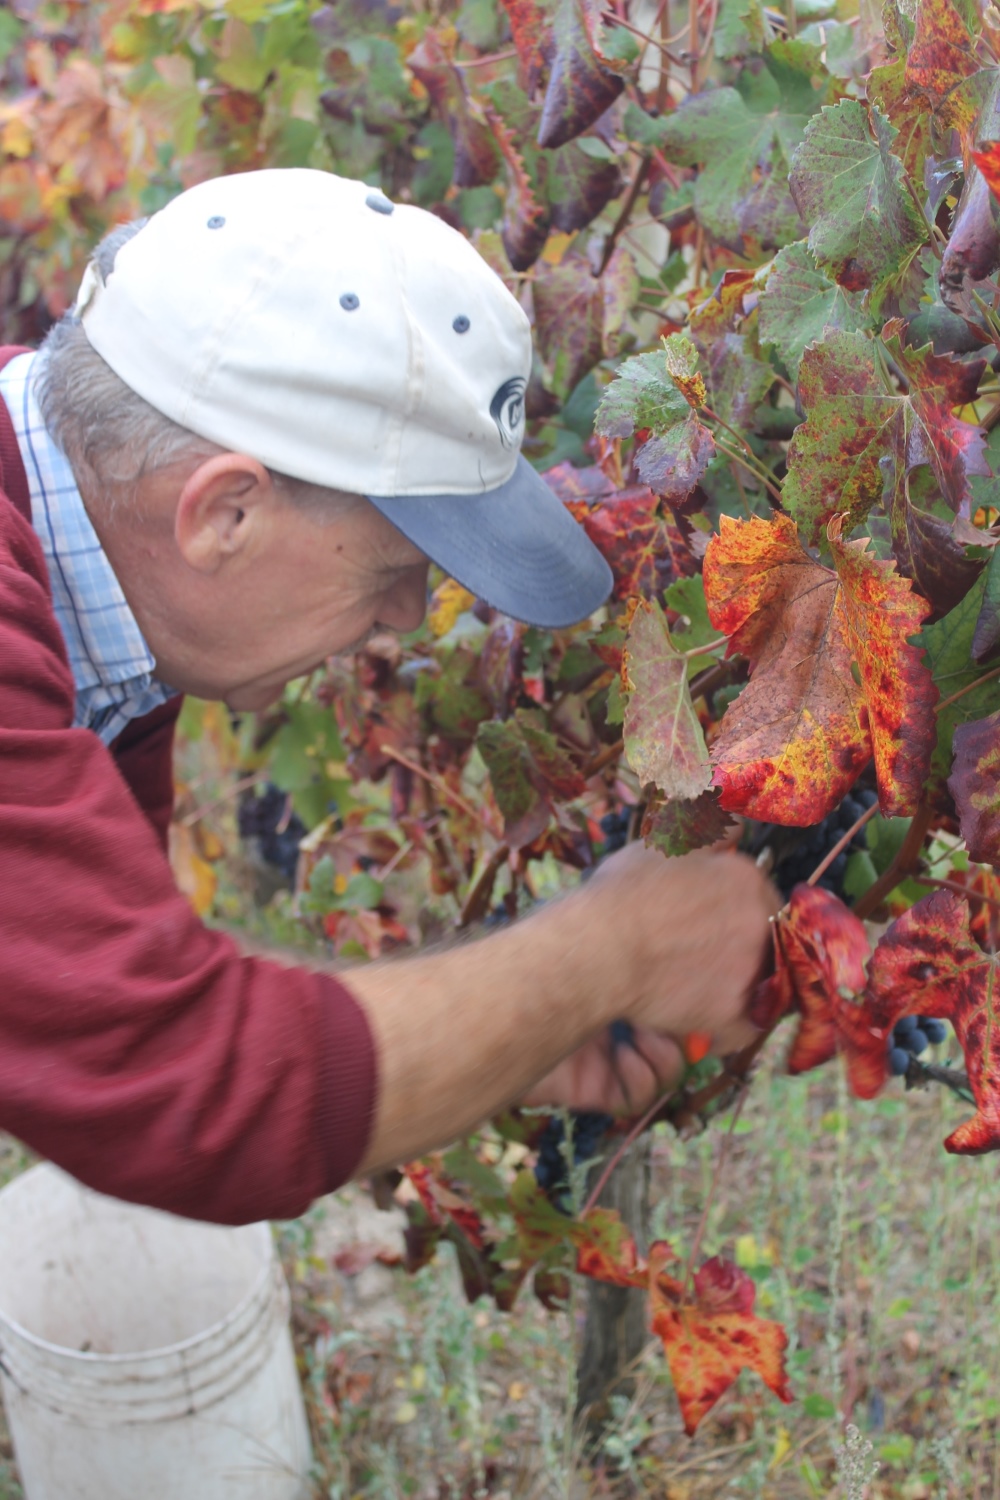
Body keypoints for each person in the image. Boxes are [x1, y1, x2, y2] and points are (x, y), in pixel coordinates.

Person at [0, 168, 776, 1226]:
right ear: (223, 512)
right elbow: (184, 1085)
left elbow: (101, 1006)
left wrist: (496, 1029)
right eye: (389, 568)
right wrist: (612, 950)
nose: (408, 620)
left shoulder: (107, 601)